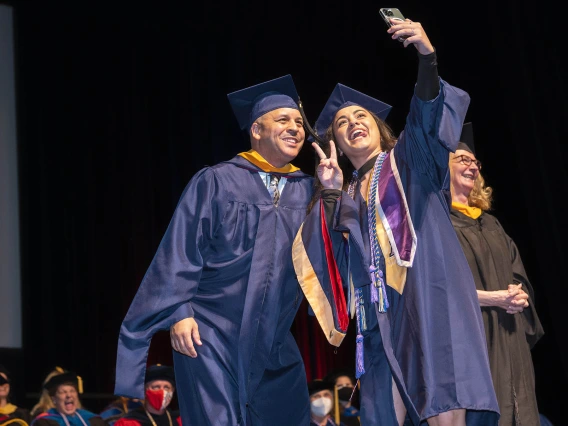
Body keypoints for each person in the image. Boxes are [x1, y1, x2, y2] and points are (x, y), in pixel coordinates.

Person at [293, 17, 499, 426]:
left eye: (361, 116)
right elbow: (330, 260)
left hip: (429, 297)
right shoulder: (345, 194)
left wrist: (427, 58)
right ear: (335, 140)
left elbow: (425, 118)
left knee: (443, 406)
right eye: (342, 122)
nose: (353, 123)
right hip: (378, 318)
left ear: (377, 126)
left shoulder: (408, 162)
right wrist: (331, 191)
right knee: (383, 415)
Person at [114, 74, 314, 425]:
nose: (295, 127)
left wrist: (331, 192)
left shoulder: (308, 191)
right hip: (210, 332)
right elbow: (179, 251)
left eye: (299, 122)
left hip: (274, 340)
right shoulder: (218, 180)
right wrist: (179, 312)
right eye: (283, 120)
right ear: (256, 130)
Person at [449, 122, 544, 426]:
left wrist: (519, 294)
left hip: (510, 334)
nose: (472, 165)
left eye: (475, 161)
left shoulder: (492, 224)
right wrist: (492, 298)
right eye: (462, 159)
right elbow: (437, 286)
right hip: (471, 337)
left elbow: (518, 273)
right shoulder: (437, 223)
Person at [30, 369, 105, 426]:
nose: (69, 395)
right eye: (63, 392)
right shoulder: (45, 422)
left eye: (72, 391)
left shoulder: (93, 420)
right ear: (54, 399)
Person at [111, 365, 180, 426]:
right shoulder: (128, 423)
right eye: (156, 387)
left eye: (166, 387)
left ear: (172, 391)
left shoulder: (180, 420)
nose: (162, 391)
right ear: (144, 391)